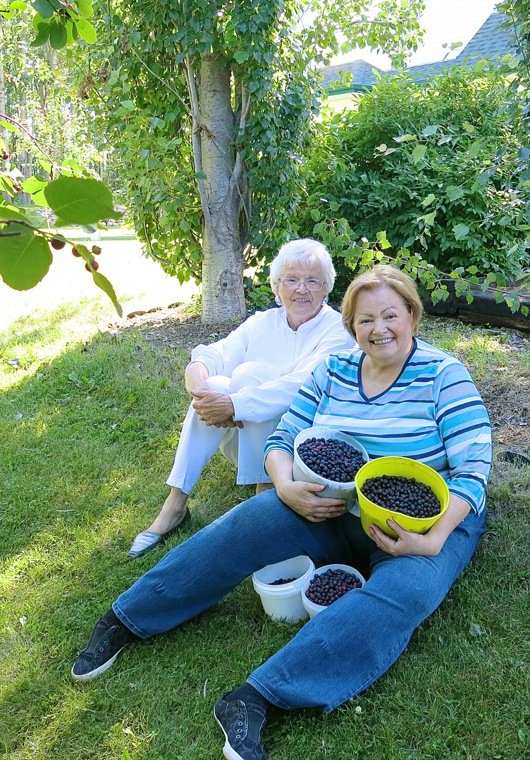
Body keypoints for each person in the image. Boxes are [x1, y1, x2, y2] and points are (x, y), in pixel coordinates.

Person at [71, 265, 492, 760]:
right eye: (365, 320)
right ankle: (129, 617)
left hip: (420, 520)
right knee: (248, 523)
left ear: (413, 316)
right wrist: (285, 485)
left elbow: (474, 466)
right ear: (351, 326)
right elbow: (283, 436)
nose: (379, 330)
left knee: (406, 591)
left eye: (390, 316)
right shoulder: (334, 370)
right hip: (331, 506)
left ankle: (258, 698)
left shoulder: (444, 375)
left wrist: (434, 539)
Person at [127, 238, 355, 558]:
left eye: (312, 281)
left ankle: (262, 498)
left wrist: (236, 404)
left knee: (250, 375)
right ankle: (175, 504)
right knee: (218, 384)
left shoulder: (337, 330)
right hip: (244, 442)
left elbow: (301, 386)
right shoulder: (263, 322)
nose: (301, 289)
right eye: (291, 279)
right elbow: (215, 354)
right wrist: (200, 384)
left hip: (299, 452)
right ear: (277, 285)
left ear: (327, 287)